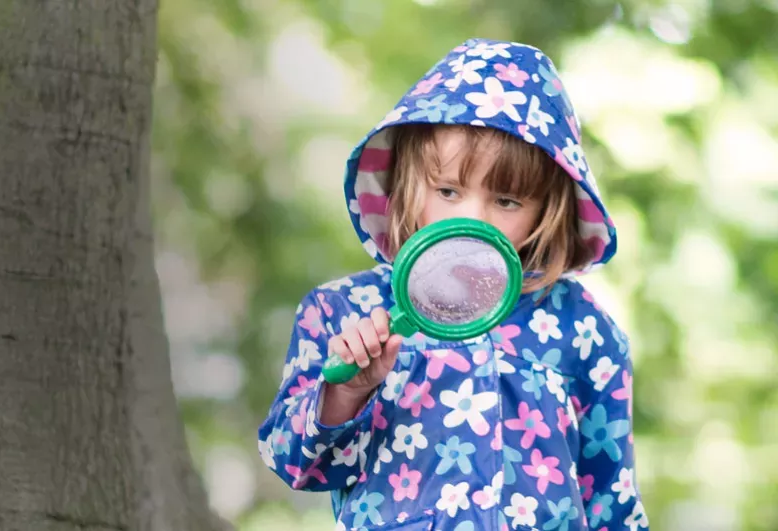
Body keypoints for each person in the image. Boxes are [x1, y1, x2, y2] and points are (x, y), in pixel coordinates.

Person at [257, 37, 648, 531]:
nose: (473, 219)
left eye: (506, 201)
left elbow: (613, 503)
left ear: (547, 209)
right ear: (406, 185)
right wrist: (346, 393)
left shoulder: (584, 329)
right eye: (448, 191)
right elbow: (293, 463)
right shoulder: (342, 312)